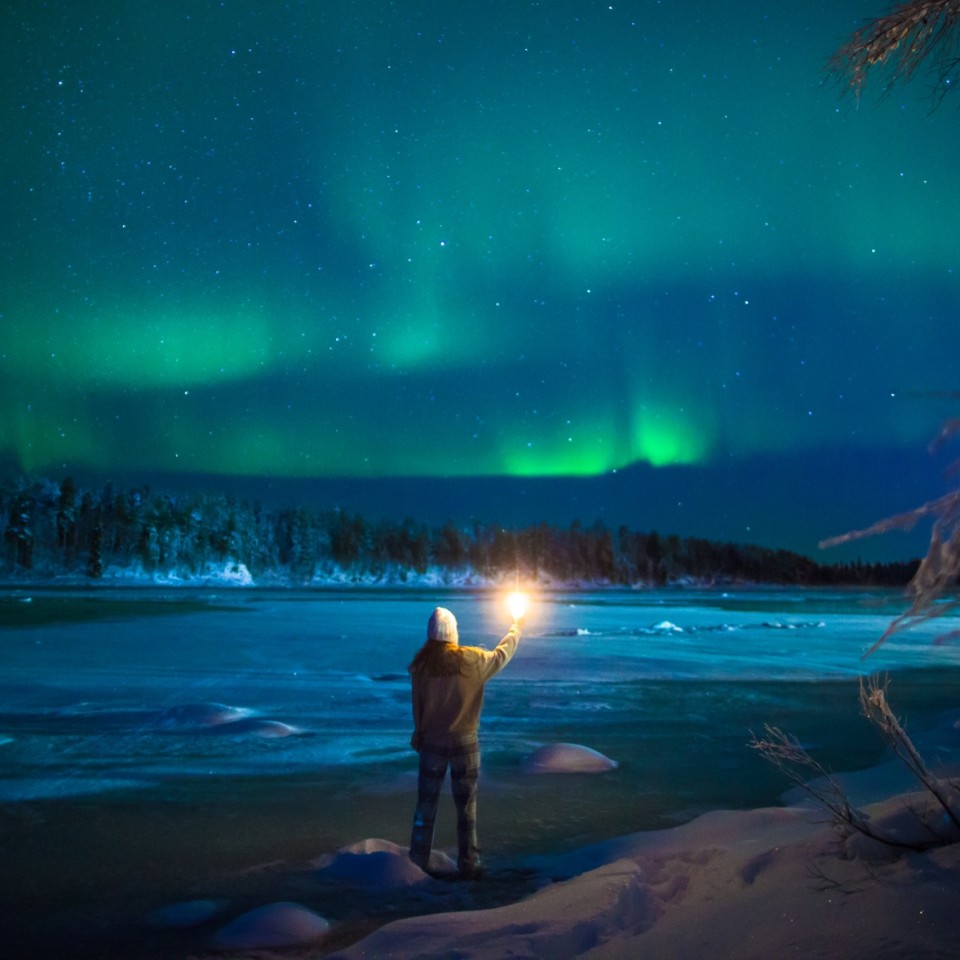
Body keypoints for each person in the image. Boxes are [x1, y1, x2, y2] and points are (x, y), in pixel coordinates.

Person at [408, 605, 522, 879]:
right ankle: (469, 863)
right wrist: (515, 628)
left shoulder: (421, 666)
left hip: (432, 743)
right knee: (466, 806)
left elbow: (418, 706)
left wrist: (419, 734)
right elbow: (501, 655)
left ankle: (417, 862)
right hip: (465, 743)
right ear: (453, 633)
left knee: (426, 804)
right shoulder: (473, 660)